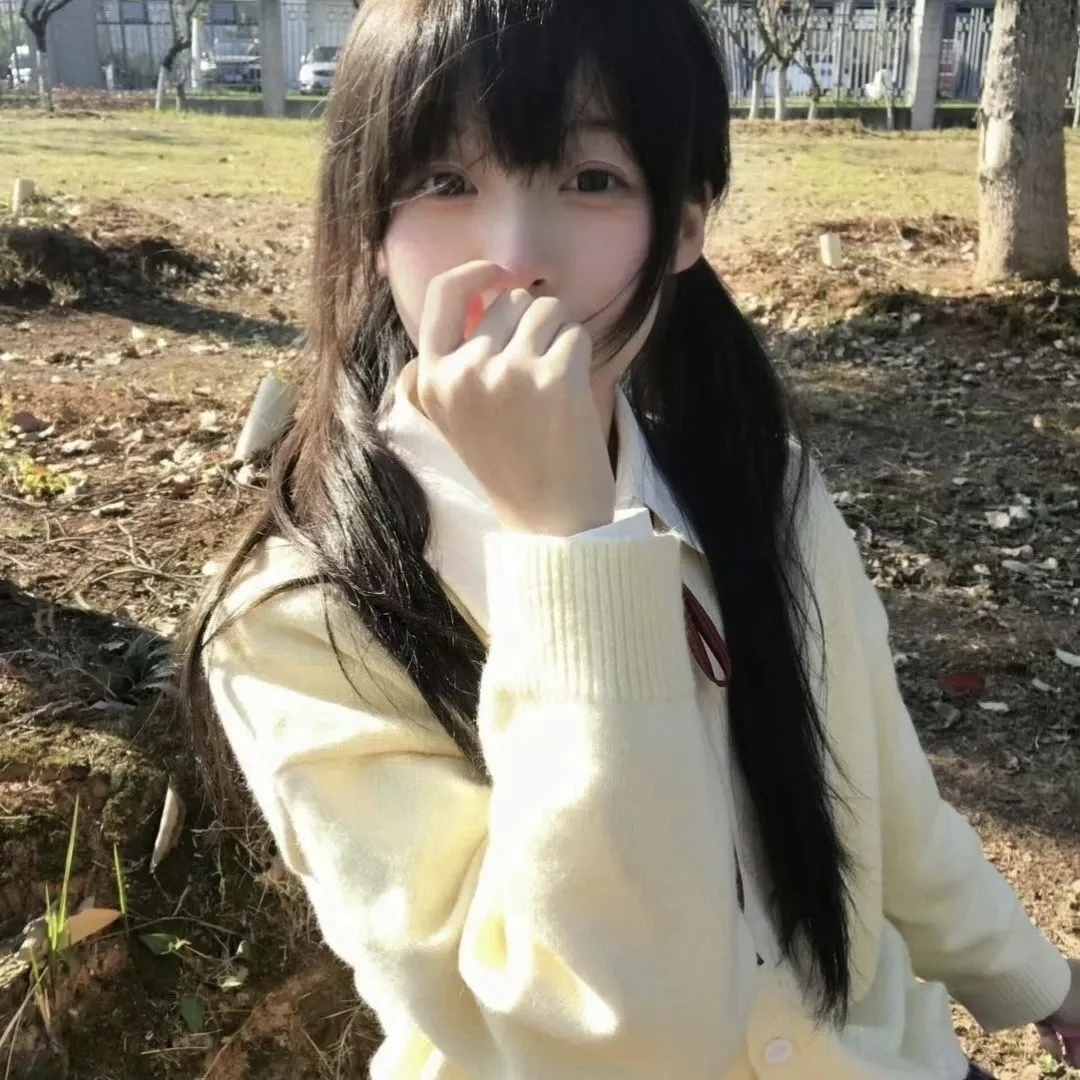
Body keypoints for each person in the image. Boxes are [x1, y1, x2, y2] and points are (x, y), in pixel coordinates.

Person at [180, 1, 1080, 1077]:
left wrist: (1037, 982)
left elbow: (877, 796)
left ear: (686, 222)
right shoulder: (296, 621)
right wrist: (566, 553)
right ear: (371, 225)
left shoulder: (762, 491)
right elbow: (611, 1033)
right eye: (444, 182)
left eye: (592, 179)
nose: (517, 258)